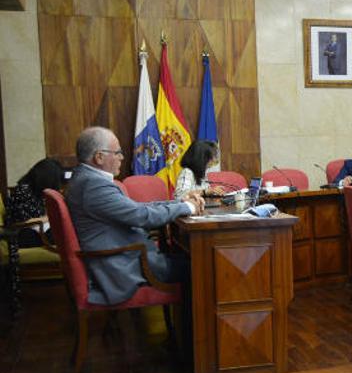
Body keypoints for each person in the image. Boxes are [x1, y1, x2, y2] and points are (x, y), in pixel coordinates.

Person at [65, 126, 205, 305]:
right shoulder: (94, 186)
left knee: (193, 259)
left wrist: (180, 203)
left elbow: (136, 208)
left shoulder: (86, 180)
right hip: (125, 267)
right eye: (117, 153)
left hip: (127, 258)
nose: (122, 158)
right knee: (204, 265)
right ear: (99, 157)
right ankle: (198, 331)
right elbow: (142, 216)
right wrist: (189, 208)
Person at [4, 157, 65, 314]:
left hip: (35, 228)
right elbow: (23, 220)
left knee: (64, 228)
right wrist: (50, 217)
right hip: (21, 234)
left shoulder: (33, 189)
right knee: (63, 231)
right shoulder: (23, 190)